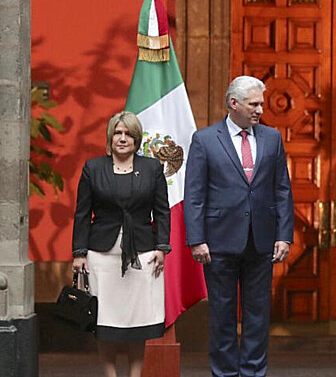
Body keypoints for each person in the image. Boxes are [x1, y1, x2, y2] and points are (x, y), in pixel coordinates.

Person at [184, 75, 294, 377]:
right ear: (234, 104)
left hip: (261, 240)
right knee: (222, 314)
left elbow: (282, 188)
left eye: (261, 103)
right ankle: (224, 373)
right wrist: (196, 239)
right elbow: (194, 193)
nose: (260, 109)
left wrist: (284, 235)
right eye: (254, 104)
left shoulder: (272, 138)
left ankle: (254, 372)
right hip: (218, 242)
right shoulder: (205, 140)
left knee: (257, 315)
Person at [71, 111, 171, 377]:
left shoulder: (152, 168)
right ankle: (110, 374)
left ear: (137, 139)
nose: (123, 138)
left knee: (138, 321)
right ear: (110, 137)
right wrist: (79, 253)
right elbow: (82, 213)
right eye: (118, 133)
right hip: (102, 256)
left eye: (128, 134)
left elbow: (162, 212)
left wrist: (162, 247)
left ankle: (135, 374)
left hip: (144, 254)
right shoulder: (93, 168)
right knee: (105, 321)